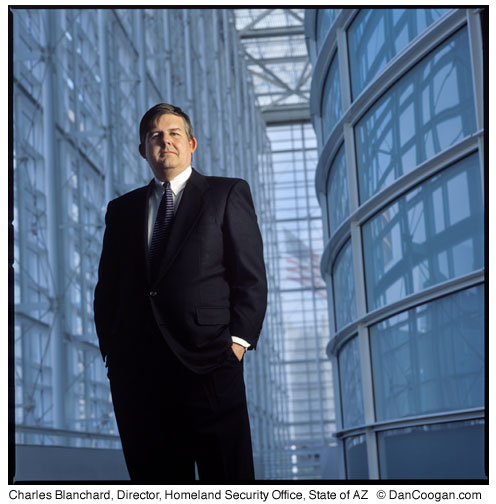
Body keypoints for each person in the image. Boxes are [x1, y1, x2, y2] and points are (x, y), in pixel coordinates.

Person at [93, 103, 267, 482]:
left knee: (228, 479)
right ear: (143, 149)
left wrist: (235, 345)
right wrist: (113, 353)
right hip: (138, 376)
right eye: (155, 135)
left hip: (211, 365)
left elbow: (250, 279)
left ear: (191, 144)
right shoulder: (122, 210)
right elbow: (107, 288)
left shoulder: (226, 194)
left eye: (173, 134)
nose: (165, 141)